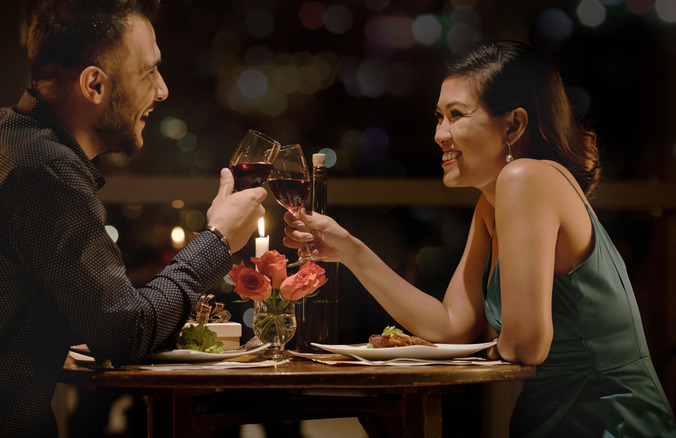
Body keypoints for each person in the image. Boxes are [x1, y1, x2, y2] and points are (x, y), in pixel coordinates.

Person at [0, 0, 267, 436]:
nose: (162, 90)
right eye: (148, 72)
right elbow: (127, 331)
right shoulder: (47, 172)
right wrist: (219, 238)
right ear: (94, 84)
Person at [284, 40, 676, 437]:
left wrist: (481, 352)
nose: (439, 134)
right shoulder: (493, 202)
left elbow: (526, 346)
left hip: (608, 422)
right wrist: (349, 250)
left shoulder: (526, 179)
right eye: (438, 117)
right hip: (554, 419)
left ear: (513, 125)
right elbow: (451, 325)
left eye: (456, 115)